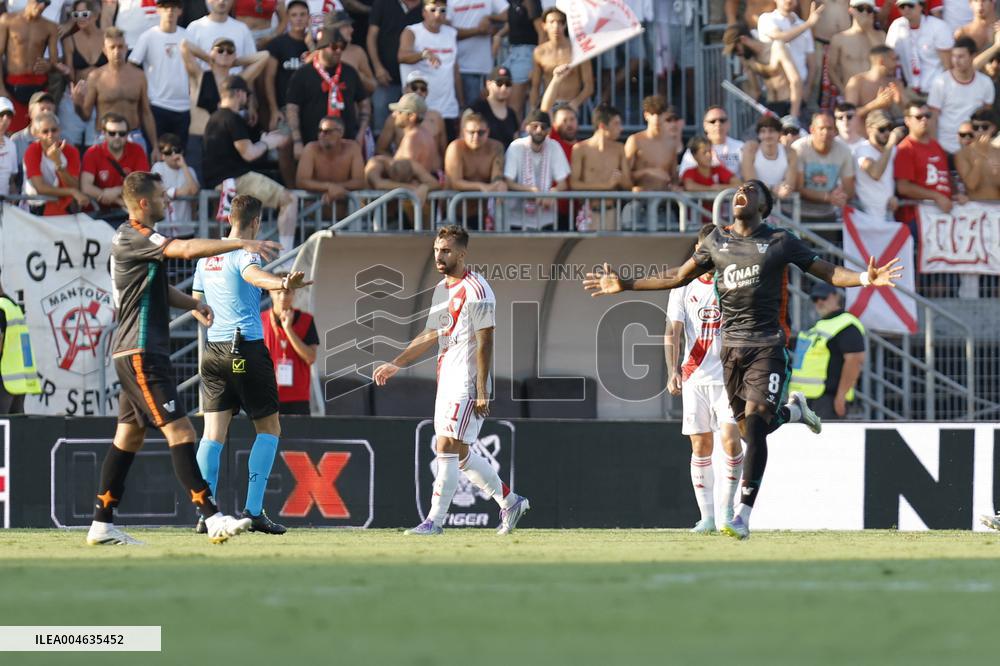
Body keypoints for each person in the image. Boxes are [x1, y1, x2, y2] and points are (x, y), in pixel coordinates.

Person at [583, 179, 903, 539]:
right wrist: (625, 284)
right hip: (729, 351)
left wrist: (864, 277)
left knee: (752, 426)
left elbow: (824, 270)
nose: (741, 191)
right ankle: (794, 412)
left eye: (751, 189)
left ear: (763, 205)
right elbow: (677, 276)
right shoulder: (715, 241)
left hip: (768, 344)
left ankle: (742, 516)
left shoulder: (780, 241)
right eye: (739, 187)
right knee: (755, 427)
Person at [87, 170, 281, 546]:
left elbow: (158, 287)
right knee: (182, 431)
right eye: (162, 195)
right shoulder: (137, 235)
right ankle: (213, 517)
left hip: (138, 351)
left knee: (129, 435)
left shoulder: (135, 241)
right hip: (142, 351)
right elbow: (186, 249)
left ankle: (101, 522)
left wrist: (194, 302)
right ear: (144, 203)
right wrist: (240, 243)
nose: (168, 200)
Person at [373, 225, 530, 536]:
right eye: (436, 250)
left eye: (445, 250)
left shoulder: (478, 289)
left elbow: (486, 340)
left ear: (461, 253)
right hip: (446, 378)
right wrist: (396, 363)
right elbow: (431, 333)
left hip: (468, 381)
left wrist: (483, 390)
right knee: (458, 453)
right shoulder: (442, 289)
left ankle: (435, 521)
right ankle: (510, 501)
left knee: (445, 444)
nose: (439, 256)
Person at [192, 195, 312, 536]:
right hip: (244, 349)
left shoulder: (207, 255)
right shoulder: (246, 252)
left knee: (212, 434)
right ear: (256, 222)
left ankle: (206, 513)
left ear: (230, 217)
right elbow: (256, 276)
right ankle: (254, 510)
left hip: (213, 351)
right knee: (269, 429)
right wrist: (284, 283)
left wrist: (210, 317)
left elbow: (196, 306)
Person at [665, 224, 743, 533]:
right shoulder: (683, 285)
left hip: (729, 376)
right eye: (703, 251)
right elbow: (673, 330)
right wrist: (673, 370)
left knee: (731, 440)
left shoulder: (733, 283)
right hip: (695, 375)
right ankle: (707, 518)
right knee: (700, 447)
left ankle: (727, 512)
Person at [204, 75, 297, 254]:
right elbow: (249, 153)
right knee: (290, 200)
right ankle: (286, 257)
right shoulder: (231, 118)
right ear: (239, 93)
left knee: (246, 224)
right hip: (237, 179)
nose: (247, 99)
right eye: (246, 94)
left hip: (220, 183)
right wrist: (268, 143)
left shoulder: (213, 119)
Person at [180, 36, 269, 176]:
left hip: (223, 143)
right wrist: (210, 59)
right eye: (220, 50)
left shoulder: (237, 82)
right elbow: (185, 45)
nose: (225, 53)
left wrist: (234, 62)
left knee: (223, 189)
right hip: (198, 138)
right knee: (196, 186)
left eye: (229, 51)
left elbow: (264, 56)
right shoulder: (200, 76)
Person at [72, 27, 158, 159]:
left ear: (126, 48)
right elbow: (86, 116)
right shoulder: (96, 77)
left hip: (133, 136)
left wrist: (155, 146)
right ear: (105, 50)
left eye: (120, 46)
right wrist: (77, 104)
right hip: (105, 136)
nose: (117, 51)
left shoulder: (139, 76)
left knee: (138, 179)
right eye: (112, 47)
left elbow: (146, 112)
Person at [287, 28, 370, 155]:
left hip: (346, 143)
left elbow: (364, 103)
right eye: (334, 46)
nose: (338, 50)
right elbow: (292, 109)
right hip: (312, 143)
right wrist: (297, 141)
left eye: (342, 47)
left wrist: (360, 134)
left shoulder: (350, 72)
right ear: (321, 47)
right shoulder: (302, 74)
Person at [789, 283, 866, 420]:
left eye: (823, 298)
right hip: (803, 399)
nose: (819, 302)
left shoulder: (846, 324)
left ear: (836, 297)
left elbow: (855, 360)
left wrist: (841, 396)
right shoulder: (819, 325)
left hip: (826, 400)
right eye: (815, 299)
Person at [128, 0, 191, 151]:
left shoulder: (188, 36)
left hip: (184, 107)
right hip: (157, 105)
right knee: (156, 154)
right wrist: (143, 96)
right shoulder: (148, 37)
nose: (170, 11)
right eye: (165, 7)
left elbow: (197, 69)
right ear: (158, 10)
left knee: (179, 156)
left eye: (174, 7)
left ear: (180, 11)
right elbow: (132, 66)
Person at [398, 0, 461, 137]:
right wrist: (423, 54)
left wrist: (461, 103)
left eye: (442, 10)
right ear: (424, 12)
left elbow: (455, 70)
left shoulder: (451, 33)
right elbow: (401, 56)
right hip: (419, 110)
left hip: (448, 108)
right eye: (433, 10)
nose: (438, 14)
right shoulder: (412, 31)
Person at [261, 273, 319, 416]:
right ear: (270, 291)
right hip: (267, 395)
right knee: (269, 438)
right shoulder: (259, 320)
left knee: (298, 438)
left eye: (287, 292)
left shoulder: (306, 320)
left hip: (298, 398)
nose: (282, 297)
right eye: (278, 292)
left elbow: (311, 357)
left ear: (294, 292)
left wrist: (288, 330)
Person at [502, 109, 570, 230]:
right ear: (527, 128)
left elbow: (563, 183)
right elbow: (508, 182)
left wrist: (552, 193)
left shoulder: (554, 146)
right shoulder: (516, 146)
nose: (539, 130)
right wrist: (530, 190)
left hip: (546, 219)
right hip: (517, 218)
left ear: (549, 130)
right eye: (535, 126)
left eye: (543, 127)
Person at [927, 36, 995, 154]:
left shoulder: (986, 83)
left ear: (973, 56)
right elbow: (933, 118)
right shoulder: (941, 82)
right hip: (945, 147)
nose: (956, 61)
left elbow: (987, 118)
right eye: (954, 56)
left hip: (975, 149)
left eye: (961, 56)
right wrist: (934, 148)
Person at [0, 0, 60, 133]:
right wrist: (1, 88)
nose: (42, 6)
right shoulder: (8, 20)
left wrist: (49, 65)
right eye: (39, 2)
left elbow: (54, 62)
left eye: (46, 3)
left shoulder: (50, 26)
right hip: (12, 84)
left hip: (38, 85)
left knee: (42, 131)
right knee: (12, 132)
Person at [570, 104, 631, 231]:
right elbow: (574, 184)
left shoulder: (620, 148)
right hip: (588, 212)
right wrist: (606, 186)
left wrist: (620, 180)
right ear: (603, 126)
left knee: (612, 250)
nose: (621, 128)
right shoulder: (580, 149)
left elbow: (629, 185)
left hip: (612, 212)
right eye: (616, 124)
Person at [81, 112, 151, 219]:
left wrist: (117, 190)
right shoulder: (92, 153)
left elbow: (143, 183)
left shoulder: (137, 150)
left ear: (128, 135)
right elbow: (85, 186)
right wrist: (117, 200)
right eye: (112, 133)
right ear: (103, 133)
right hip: (98, 213)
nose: (117, 137)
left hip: (130, 214)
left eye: (122, 133)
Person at [894, 100, 954, 222]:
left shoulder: (936, 145)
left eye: (927, 116)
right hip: (918, 218)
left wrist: (956, 195)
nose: (924, 120)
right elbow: (903, 187)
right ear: (907, 120)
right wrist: (936, 197)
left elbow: (946, 178)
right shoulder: (905, 149)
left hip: (942, 215)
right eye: (918, 117)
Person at [366, 0, 422, 132]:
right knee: (381, 128)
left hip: (416, 84)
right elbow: (371, 37)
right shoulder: (383, 3)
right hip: (386, 78)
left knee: (414, 129)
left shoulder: (426, 9)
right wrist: (378, 67)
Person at [792, 111, 856, 223]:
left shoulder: (844, 151)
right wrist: (828, 197)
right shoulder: (799, 148)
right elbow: (799, 187)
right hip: (799, 213)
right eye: (821, 128)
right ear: (812, 130)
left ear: (835, 131)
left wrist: (841, 196)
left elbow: (849, 190)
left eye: (830, 128)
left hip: (829, 212)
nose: (825, 132)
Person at [756, 0, 819, 111]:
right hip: (776, 95)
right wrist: (808, 24)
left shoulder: (802, 25)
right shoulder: (766, 19)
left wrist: (807, 89)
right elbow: (781, 37)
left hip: (800, 95)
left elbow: (812, 64)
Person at [444, 110, 506, 223]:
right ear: (463, 132)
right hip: (453, 212)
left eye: (481, 132)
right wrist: (481, 186)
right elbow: (455, 182)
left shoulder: (496, 148)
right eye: (471, 132)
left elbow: (496, 177)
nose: (476, 136)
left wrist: (499, 184)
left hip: (480, 213)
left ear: (488, 132)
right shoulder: (455, 148)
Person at [23, 111, 90, 215]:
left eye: (54, 130)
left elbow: (74, 184)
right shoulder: (31, 151)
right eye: (45, 131)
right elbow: (40, 188)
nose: (50, 135)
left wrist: (58, 163)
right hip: (37, 205)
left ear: (59, 130)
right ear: (36, 134)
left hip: (64, 206)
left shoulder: (71, 151)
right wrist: (71, 192)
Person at [374, 71, 446, 169]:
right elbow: (380, 149)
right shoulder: (394, 118)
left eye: (423, 89)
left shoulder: (437, 118)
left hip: (432, 173)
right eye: (414, 87)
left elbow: (444, 152)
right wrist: (396, 164)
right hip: (408, 174)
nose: (419, 91)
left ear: (427, 92)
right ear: (405, 89)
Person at [528, 7, 594, 114]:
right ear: (544, 25)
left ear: (565, 25)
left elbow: (589, 86)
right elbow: (535, 87)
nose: (556, 26)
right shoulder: (539, 52)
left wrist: (575, 104)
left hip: (572, 106)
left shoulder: (578, 49)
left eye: (560, 22)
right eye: (552, 22)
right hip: (548, 106)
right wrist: (532, 111)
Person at [60, 0, 106, 149]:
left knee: (97, 148)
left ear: (96, 15)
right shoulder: (69, 39)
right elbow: (71, 74)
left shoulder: (107, 37)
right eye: (76, 14)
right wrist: (67, 73)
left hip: (100, 99)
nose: (80, 18)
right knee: (69, 147)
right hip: (75, 98)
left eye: (84, 14)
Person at [296, 115, 366, 212]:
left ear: (340, 132)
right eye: (320, 131)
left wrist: (338, 189)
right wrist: (329, 187)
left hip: (346, 218)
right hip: (314, 214)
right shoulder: (310, 149)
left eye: (327, 131)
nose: (322, 135)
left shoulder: (352, 148)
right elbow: (302, 181)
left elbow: (359, 182)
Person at [886, 0, 954, 96]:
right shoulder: (896, 26)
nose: (906, 9)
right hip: (909, 91)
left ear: (921, 6)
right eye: (902, 6)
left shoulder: (939, 27)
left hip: (935, 91)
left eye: (910, 5)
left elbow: (948, 66)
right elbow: (890, 59)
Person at [447, 0, 504, 106]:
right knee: (469, 112)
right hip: (461, 68)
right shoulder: (450, 2)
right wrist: (477, 31)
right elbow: (446, 31)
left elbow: (508, 13)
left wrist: (490, 18)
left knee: (487, 113)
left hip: (487, 68)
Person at [826, 0, 886, 100]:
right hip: (849, 93)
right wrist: (843, 90)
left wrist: (868, 30)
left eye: (869, 10)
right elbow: (831, 69)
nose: (864, 13)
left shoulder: (880, 36)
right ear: (851, 10)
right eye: (860, 8)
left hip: (875, 94)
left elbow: (884, 58)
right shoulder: (839, 38)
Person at [0, 280, 42, 415]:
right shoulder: (13, 307)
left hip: (4, 380)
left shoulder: (1, 307)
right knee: (15, 430)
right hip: (17, 382)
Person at [852, 109, 904, 217]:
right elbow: (876, 173)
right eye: (882, 129)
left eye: (889, 128)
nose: (887, 133)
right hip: (866, 215)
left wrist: (894, 195)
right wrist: (891, 143)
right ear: (869, 129)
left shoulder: (893, 150)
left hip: (888, 214)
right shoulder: (862, 150)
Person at [625, 95, 681, 193]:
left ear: (665, 115)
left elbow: (674, 177)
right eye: (652, 113)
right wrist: (647, 172)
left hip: (664, 200)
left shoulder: (671, 143)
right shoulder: (635, 140)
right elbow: (623, 174)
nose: (656, 118)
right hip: (639, 199)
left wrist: (675, 186)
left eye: (659, 113)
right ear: (646, 115)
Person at [497, 0, 541, 121]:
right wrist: (499, 35)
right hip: (512, 54)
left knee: (515, 106)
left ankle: (515, 136)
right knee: (498, 92)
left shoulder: (530, 2)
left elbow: (541, 32)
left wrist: (536, 65)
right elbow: (512, 24)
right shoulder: (512, 2)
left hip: (527, 54)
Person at [151, 132, 200, 234]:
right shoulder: (158, 167)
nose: (174, 155)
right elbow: (157, 192)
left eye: (177, 151)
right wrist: (178, 192)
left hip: (186, 230)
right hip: (163, 231)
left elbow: (194, 191)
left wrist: (183, 166)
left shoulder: (189, 170)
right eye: (168, 152)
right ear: (162, 155)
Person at [741, 115, 797, 199]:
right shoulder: (751, 150)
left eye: (771, 131)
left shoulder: (790, 152)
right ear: (758, 135)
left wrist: (785, 188)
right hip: (755, 201)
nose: (767, 135)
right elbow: (750, 181)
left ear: (780, 133)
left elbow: (790, 182)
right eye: (763, 131)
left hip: (781, 202)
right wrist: (770, 188)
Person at [184, 0, 257, 65]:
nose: (221, 1)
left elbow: (252, 60)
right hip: (204, 78)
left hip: (234, 78)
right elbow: (185, 58)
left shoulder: (242, 29)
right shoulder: (195, 27)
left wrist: (241, 78)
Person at [843, 44, 905, 121]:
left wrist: (900, 102)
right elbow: (848, 114)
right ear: (881, 61)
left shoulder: (895, 82)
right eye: (893, 59)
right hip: (863, 130)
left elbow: (909, 113)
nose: (896, 64)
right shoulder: (857, 82)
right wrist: (876, 104)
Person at [678, 106, 745, 176]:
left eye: (722, 120)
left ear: (728, 124)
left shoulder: (741, 147)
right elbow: (685, 178)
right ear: (705, 126)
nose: (718, 124)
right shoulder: (695, 149)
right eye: (712, 121)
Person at [324, 10, 377, 97]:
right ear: (332, 29)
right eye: (345, 26)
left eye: (350, 26)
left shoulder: (357, 52)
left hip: (351, 107)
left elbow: (373, 86)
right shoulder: (320, 54)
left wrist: (357, 75)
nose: (351, 30)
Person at [468, 65, 520, 149]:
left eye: (507, 84)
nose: (503, 88)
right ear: (488, 84)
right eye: (499, 83)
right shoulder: (475, 110)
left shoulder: (512, 114)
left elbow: (516, 145)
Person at [954, 106, 1000, 200]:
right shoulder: (962, 154)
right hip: (975, 209)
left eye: (984, 127)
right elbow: (971, 185)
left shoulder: (998, 152)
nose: (979, 131)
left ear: (993, 128)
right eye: (975, 127)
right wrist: (981, 157)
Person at [11, 90, 56, 167]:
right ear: (30, 112)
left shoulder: (63, 141)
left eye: (49, 109)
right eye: (42, 109)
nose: (46, 113)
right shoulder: (17, 140)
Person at [0, 98, 18, 196]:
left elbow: (11, 179)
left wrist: (13, 191)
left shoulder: (11, 145)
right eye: (1, 115)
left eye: (9, 116)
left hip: (4, 206)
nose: (6, 119)